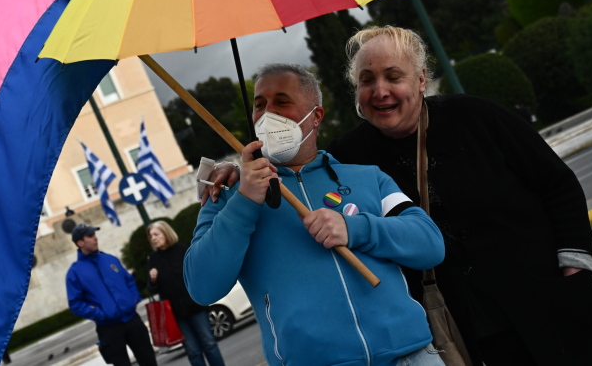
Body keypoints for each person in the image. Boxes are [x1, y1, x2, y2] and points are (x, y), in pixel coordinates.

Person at [325, 26, 592, 365]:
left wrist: (575, 267)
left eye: (393, 76)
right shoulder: (346, 159)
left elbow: (556, 184)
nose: (380, 91)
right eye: (367, 80)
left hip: (551, 303)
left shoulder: (478, 116)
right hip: (467, 329)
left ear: (421, 79)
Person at [184, 63, 446, 366]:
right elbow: (201, 287)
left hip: (411, 355)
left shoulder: (368, 177)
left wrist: (355, 229)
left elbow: (430, 244)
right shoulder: (224, 195)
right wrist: (244, 201)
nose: (269, 113)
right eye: (259, 105)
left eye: (282, 101)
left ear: (316, 116)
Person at [66, 224, 158, 366]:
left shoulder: (110, 259)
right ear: (80, 243)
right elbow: (75, 304)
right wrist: (101, 314)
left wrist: (133, 300)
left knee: (149, 360)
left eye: (94, 234)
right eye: (90, 236)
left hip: (132, 320)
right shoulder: (75, 273)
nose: (95, 238)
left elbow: (129, 281)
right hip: (108, 328)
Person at [147, 220, 226, 366]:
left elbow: (198, 275)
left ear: (166, 233)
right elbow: (152, 290)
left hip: (195, 307)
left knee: (209, 343)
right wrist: (152, 280)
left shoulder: (182, 249)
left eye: (156, 234)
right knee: (192, 350)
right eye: (151, 236)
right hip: (176, 314)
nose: (153, 238)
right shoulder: (153, 259)